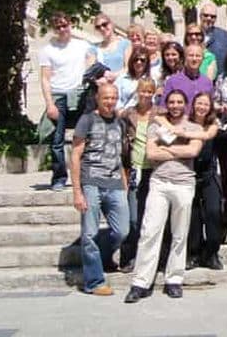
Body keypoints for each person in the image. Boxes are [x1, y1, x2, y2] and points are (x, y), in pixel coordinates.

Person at [124, 89, 203, 303]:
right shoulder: (155, 126)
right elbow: (151, 154)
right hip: (159, 183)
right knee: (150, 232)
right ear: (166, 104)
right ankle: (141, 282)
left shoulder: (194, 127)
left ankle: (174, 279)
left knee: (179, 234)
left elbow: (193, 151)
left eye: (179, 102)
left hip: (184, 184)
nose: (176, 105)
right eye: (172, 102)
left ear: (185, 104)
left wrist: (166, 150)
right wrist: (179, 150)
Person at [71, 83, 129, 295]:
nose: (110, 102)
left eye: (114, 98)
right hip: (91, 182)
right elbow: (76, 155)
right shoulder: (86, 120)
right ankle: (94, 282)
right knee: (89, 233)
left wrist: (123, 183)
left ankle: (103, 258)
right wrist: (77, 191)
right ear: (98, 98)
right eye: (106, 98)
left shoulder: (119, 123)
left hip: (114, 183)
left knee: (122, 230)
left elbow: (120, 156)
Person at [40, 11, 93, 190]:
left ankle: (85, 176)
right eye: (58, 27)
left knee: (85, 136)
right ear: (54, 29)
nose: (62, 29)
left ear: (71, 24)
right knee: (57, 140)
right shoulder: (48, 50)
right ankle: (59, 178)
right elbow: (45, 78)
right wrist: (49, 104)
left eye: (65, 25)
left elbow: (92, 65)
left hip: (79, 94)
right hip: (58, 95)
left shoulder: (82, 45)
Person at [119, 78, 156, 271]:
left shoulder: (160, 114)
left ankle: (150, 257)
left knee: (151, 217)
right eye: (143, 91)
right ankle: (129, 255)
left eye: (149, 91)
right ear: (137, 92)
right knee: (133, 217)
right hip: (135, 168)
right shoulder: (128, 114)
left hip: (154, 169)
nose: (146, 95)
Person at [182, 93, 222, 270]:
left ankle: (212, 252)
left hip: (209, 174)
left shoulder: (212, 124)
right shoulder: (185, 122)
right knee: (193, 216)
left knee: (213, 211)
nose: (202, 107)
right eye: (199, 103)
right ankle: (194, 253)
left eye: (206, 104)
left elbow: (208, 135)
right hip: (189, 174)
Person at [162, 44, 213, 110]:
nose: (194, 59)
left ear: (202, 59)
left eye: (198, 56)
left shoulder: (207, 82)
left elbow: (211, 107)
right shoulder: (172, 81)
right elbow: (163, 108)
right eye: (191, 55)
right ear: (184, 58)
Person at [90, 13, 131, 81]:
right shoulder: (94, 48)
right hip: (102, 87)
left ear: (111, 24)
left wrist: (114, 75)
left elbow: (128, 68)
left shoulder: (125, 44)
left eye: (104, 24)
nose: (102, 28)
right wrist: (97, 81)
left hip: (120, 85)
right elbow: (90, 71)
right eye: (98, 27)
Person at [116, 46, 151, 111]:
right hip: (123, 114)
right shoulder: (122, 78)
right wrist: (120, 110)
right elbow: (116, 96)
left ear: (147, 62)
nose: (139, 62)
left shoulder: (152, 80)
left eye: (142, 60)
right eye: (136, 59)